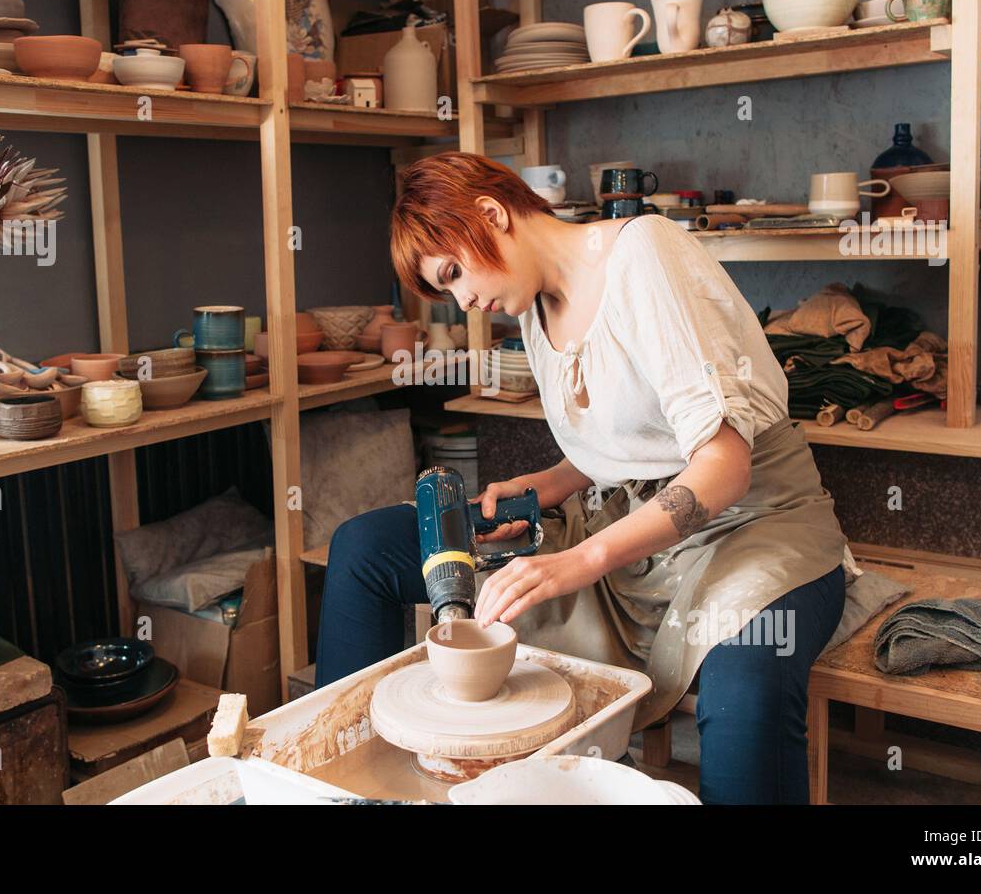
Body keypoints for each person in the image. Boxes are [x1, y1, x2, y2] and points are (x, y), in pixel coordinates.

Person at [315, 153, 848, 804]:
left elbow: (723, 464)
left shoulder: (643, 253)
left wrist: (579, 561)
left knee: (744, 697)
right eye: (445, 290)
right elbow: (626, 444)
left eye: (454, 273)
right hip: (620, 527)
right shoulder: (532, 307)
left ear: (492, 213)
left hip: (750, 523)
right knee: (367, 548)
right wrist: (547, 486)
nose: (466, 300)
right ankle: (333, 792)